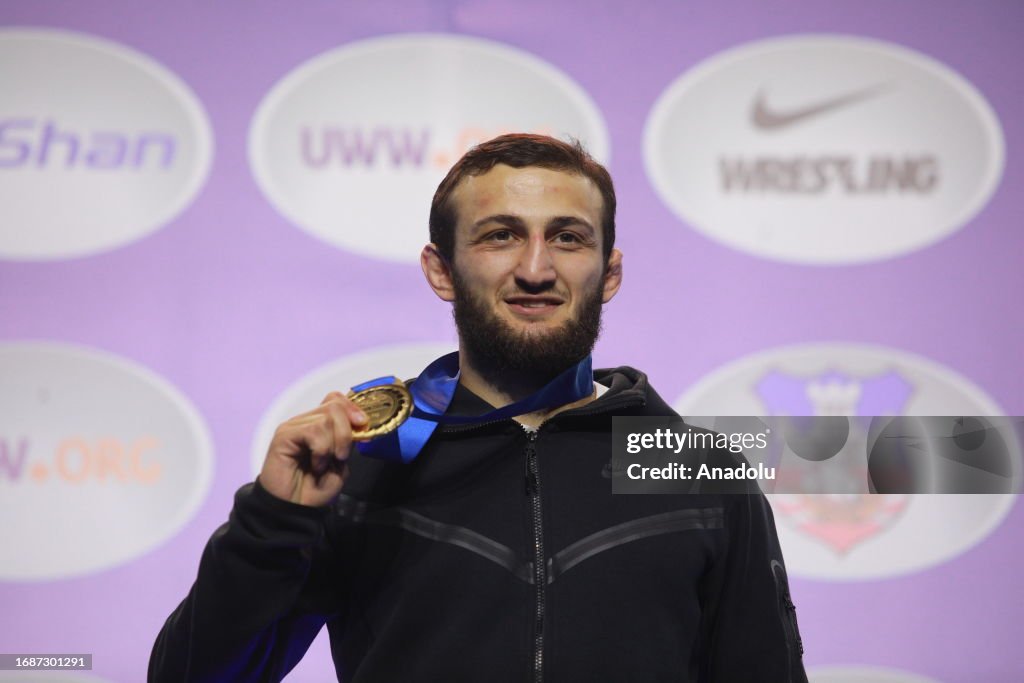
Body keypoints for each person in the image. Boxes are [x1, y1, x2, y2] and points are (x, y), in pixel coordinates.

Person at [149, 133, 808, 682]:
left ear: (609, 272)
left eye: (568, 238)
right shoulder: (364, 463)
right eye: (500, 236)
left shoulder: (691, 468)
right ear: (442, 271)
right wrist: (274, 521)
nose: (535, 268)